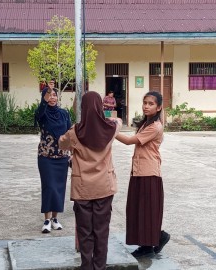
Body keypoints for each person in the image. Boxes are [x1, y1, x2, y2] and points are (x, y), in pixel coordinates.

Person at [59, 91, 122, 270]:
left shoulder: (75, 131)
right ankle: (99, 266)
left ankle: (86, 266)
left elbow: (61, 144)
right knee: (101, 231)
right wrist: (112, 119)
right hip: (104, 186)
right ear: (101, 106)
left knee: (85, 230)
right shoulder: (111, 128)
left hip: (83, 188)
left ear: (82, 107)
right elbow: (119, 122)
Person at [115, 91, 170, 258]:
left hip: (149, 172)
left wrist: (109, 130)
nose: (146, 106)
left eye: (151, 104)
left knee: (146, 210)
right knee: (139, 209)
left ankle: (151, 243)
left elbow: (129, 141)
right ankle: (153, 239)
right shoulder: (146, 124)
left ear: (159, 107)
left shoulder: (155, 126)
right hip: (139, 170)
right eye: (145, 102)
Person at [35, 85, 71, 233]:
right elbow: (39, 113)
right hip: (46, 156)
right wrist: (45, 97)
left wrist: (72, 153)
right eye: (49, 95)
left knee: (59, 188)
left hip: (62, 157)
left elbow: (69, 134)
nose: (52, 98)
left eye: (55, 95)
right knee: (49, 186)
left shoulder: (64, 113)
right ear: (45, 97)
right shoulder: (42, 114)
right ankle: (46, 220)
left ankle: (55, 219)